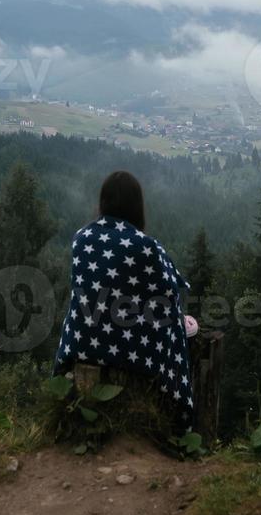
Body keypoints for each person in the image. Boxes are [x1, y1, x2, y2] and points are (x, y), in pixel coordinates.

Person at [53, 170, 194, 431]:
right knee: (174, 321)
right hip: (132, 346)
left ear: (103, 202)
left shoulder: (81, 239)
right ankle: (180, 424)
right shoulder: (146, 246)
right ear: (137, 206)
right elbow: (167, 295)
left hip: (83, 338)